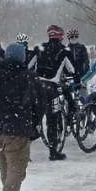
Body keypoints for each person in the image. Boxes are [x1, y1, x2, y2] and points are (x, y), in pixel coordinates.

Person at [0, 42, 43, 191]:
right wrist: (34, 123)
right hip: (17, 129)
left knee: (5, 168)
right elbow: (39, 103)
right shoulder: (28, 77)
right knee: (17, 169)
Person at [32, 24, 76, 160]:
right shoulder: (65, 50)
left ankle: (26, 145)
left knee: (34, 117)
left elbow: (28, 65)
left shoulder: (39, 48)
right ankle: (53, 151)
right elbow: (73, 70)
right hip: (52, 88)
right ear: (61, 36)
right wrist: (76, 79)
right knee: (53, 119)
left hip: (36, 86)